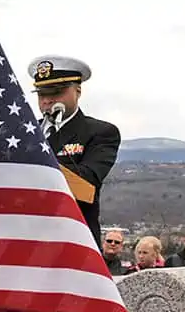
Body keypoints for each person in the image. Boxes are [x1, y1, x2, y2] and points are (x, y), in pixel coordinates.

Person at [27, 56, 121, 245]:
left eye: (56, 92)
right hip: (29, 235)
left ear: (77, 91)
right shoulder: (27, 133)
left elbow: (88, 181)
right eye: (41, 94)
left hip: (73, 238)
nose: (47, 100)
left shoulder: (100, 132)